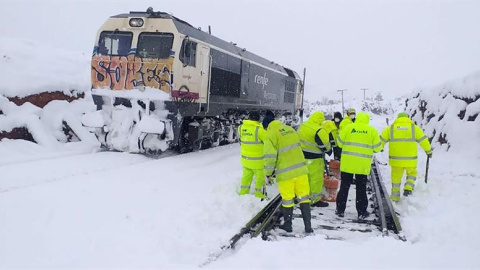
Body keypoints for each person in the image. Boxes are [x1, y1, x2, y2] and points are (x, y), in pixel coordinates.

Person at [263, 116, 313, 234]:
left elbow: (270, 157)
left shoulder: (270, 135)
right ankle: (308, 227)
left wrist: (268, 174)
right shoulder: (290, 129)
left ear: (267, 126)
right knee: (304, 198)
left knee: (287, 199)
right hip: (301, 171)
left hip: (286, 174)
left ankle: (288, 225)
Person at [336, 112, 382, 219]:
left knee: (344, 187)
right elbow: (377, 148)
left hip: (348, 163)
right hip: (362, 165)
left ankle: (340, 210)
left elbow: (339, 143)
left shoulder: (348, 128)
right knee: (361, 189)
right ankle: (361, 212)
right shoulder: (372, 131)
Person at [379, 112, 433, 202]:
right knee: (411, 174)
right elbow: (423, 140)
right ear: (407, 118)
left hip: (396, 160)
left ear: (398, 118)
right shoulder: (414, 128)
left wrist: (379, 148)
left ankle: (395, 197)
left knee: (396, 178)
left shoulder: (391, 128)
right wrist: (429, 151)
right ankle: (408, 188)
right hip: (410, 160)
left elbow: (381, 139)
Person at [297, 111, 331, 207]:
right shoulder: (319, 130)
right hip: (315, 158)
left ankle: (302, 197)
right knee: (315, 179)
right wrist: (329, 150)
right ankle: (315, 200)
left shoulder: (303, 125)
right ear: (320, 120)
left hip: (302, 157)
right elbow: (325, 146)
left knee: (304, 178)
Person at [238, 111, 267, 199]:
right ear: (258, 119)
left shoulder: (241, 127)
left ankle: (243, 193)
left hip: (246, 160)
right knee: (260, 179)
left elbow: (241, 140)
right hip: (258, 162)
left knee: (246, 178)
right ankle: (260, 196)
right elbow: (269, 142)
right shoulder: (260, 130)